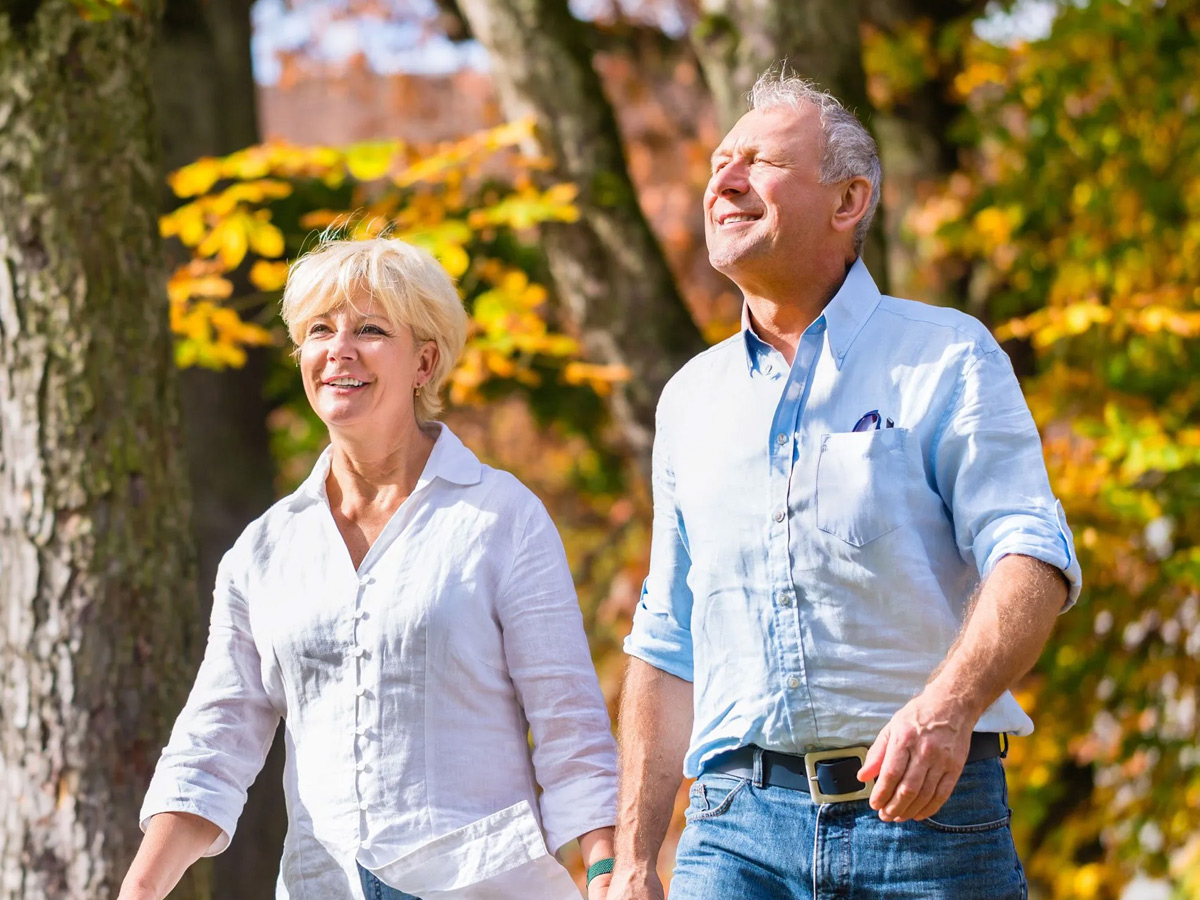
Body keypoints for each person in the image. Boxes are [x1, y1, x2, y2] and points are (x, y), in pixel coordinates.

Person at [608, 67, 1081, 900]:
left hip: (928, 826)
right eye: (720, 160)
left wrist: (950, 707)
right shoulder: (689, 399)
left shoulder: (947, 354)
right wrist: (638, 860)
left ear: (848, 199)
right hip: (732, 833)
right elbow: (667, 633)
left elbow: (1031, 552)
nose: (725, 178)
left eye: (759, 160)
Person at [119, 237, 618, 900]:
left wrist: (612, 872)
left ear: (425, 360)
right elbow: (213, 746)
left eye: (371, 329)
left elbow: (571, 730)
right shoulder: (264, 551)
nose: (340, 350)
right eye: (320, 330)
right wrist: (139, 890)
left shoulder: (502, 519)